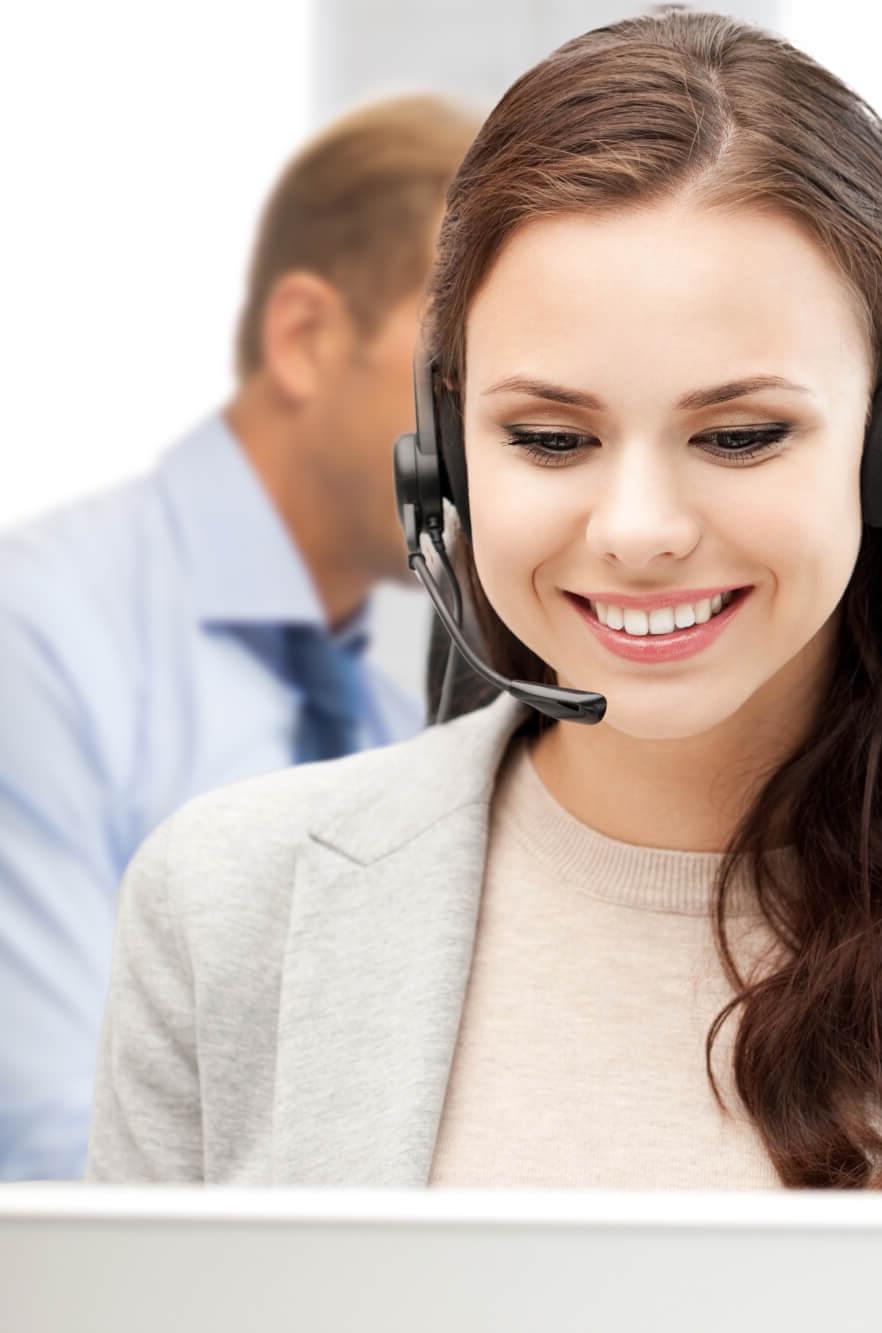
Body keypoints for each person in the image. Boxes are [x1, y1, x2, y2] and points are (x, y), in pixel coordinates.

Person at [86, 13, 882, 1329]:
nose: (639, 528)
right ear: (441, 455)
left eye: (737, 433)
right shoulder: (225, 911)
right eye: (549, 437)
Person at [0, 95, 478, 1181]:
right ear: (307, 338)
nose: (488, 435)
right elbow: (54, 1153)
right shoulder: (35, 643)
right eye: (451, 375)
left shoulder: (390, 711)